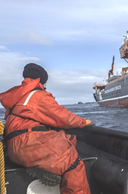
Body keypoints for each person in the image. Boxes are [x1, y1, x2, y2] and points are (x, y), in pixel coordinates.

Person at [0, 63, 93, 194]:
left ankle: (43, 168)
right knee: (72, 162)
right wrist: (84, 122)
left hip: (14, 148)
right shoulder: (37, 95)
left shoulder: (18, 96)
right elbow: (62, 117)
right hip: (28, 146)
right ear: (41, 80)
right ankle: (50, 168)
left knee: (65, 138)